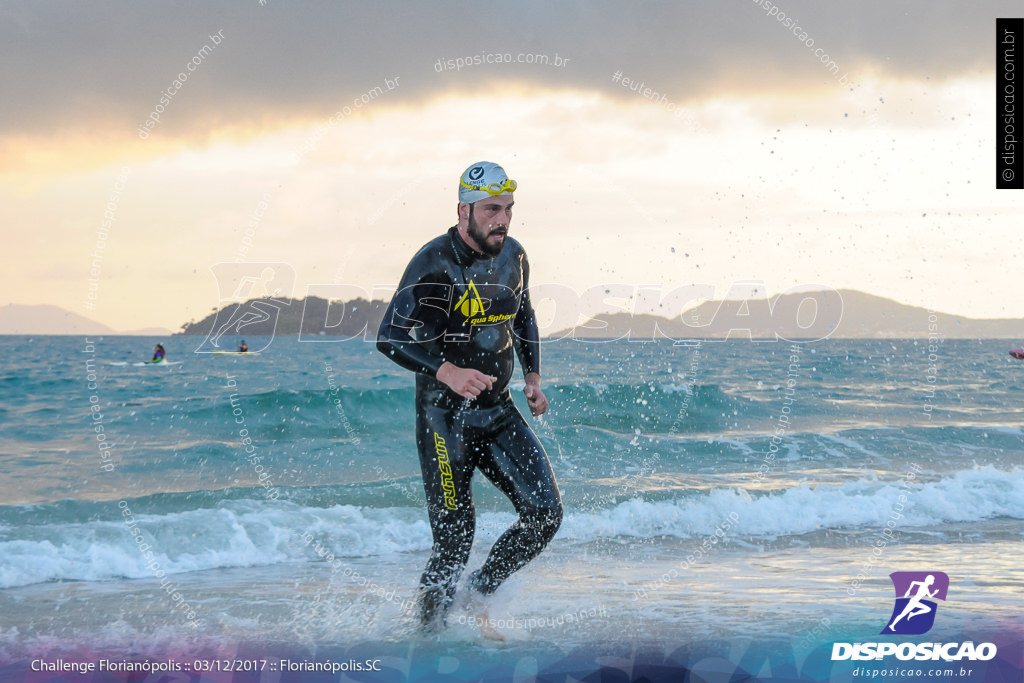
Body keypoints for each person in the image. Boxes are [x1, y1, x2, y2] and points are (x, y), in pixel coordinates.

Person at [376, 161, 562, 637]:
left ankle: (480, 591)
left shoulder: (514, 257)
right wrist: (447, 371)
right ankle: (428, 637)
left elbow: (523, 316)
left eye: (508, 209)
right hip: (444, 418)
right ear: (464, 211)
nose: (502, 219)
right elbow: (389, 336)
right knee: (454, 541)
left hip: (498, 411)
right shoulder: (432, 261)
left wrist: (534, 377)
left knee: (545, 514)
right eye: (492, 209)